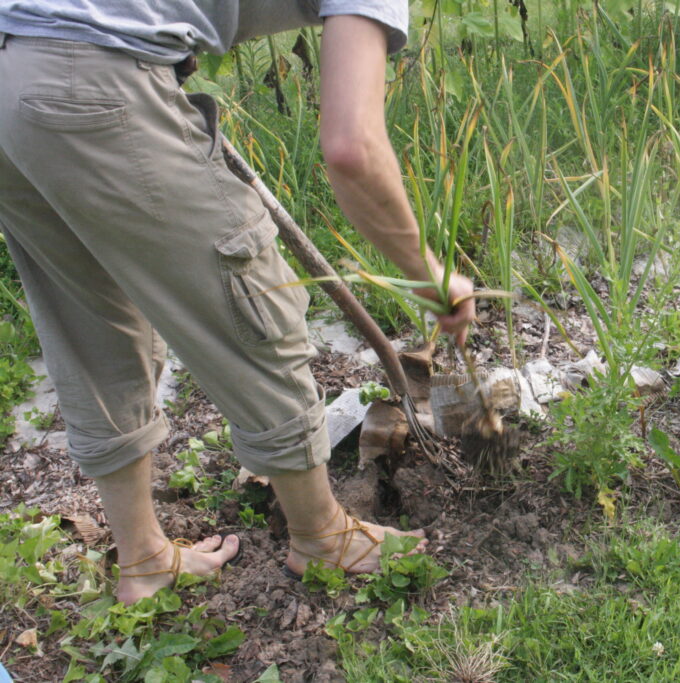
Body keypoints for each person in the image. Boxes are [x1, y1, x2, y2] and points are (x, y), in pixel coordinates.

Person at [0, 2, 474, 605]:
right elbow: (352, 147)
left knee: (90, 320)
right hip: (91, 78)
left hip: (12, 66)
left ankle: (142, 559)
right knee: (255, 305)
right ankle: (321, 537)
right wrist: (428, 273)